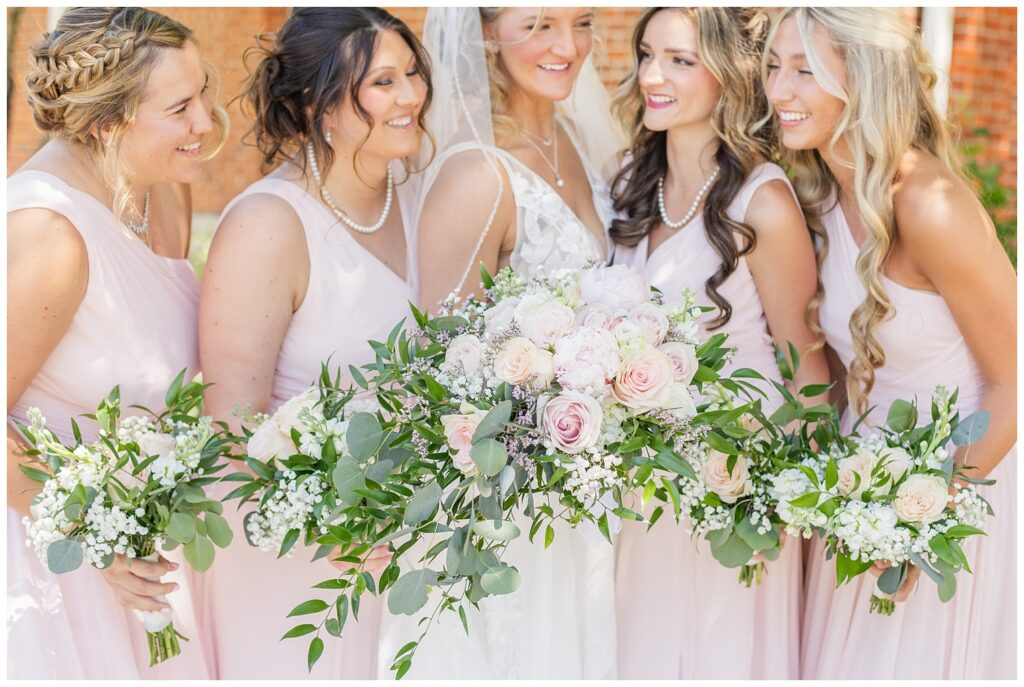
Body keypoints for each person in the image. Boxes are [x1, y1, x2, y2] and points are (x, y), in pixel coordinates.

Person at [764, 7, 1016, 679]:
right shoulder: (819, 194)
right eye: (772, 67)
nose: (779, 91)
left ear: (864, 78)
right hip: (865, 496)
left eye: (805, 71)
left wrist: (923, 522)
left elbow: (1015, 380)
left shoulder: (929, 204)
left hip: (959, 490)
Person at [376, 7, 624, 679]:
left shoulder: (576, 133)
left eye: (581, 22)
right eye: (539, 24)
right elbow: (444, 373)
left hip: (583, 489)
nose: (567, 46)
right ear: (485, 30)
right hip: (514, 506)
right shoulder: (476, 176)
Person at [196, 7, 431, 679]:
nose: (411, 96)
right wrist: (338, 526)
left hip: (409, 559)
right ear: (316, 105)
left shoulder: (420, 201)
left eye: (411, 73)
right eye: (382, 82)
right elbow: (232, 428)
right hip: (304, 572)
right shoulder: (268, 225)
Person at [7, 6, 227, 678]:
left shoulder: (159, 192)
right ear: (107, 123)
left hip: (152, 566)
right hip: (63, 573)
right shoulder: (47, 234)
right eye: (181, 107)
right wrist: (93, 536)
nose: (205, 124)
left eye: (204, 93)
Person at [609, 8, 827, 679]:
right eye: (648, 55)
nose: (652, 76)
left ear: (729, 74)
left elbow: (808, 370)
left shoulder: (764, 203)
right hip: (639, 490)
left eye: (679, 60)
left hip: (732, 491)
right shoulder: (629, 180)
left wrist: (786, 507)